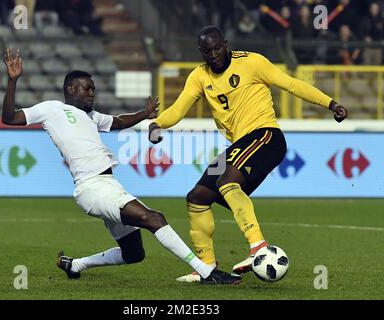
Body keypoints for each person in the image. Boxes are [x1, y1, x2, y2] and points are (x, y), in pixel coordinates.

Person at [1, 48, 241, 285]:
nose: (92, 93)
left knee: (134, 254)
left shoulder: (91, 116)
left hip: (107, 185)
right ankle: (207, 272)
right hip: (93, 187)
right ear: (70, 89)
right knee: (155, 219)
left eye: (93, 89)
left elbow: (118, 122)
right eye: (88, 88)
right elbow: (9, 118)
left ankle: (75, 264)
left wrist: (145, 114)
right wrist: (13, 81)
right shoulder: (52, 109)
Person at [148, 25, 348, 282]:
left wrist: (330, 103)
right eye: (207, 51)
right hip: (241, 145)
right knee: (197, 198)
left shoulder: (252, 63)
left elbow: (291, 84)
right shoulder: (199, 76)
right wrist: (158, 123)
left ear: (226, 43)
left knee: (227, 181)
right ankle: (206, 268)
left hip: (265, 136)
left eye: (218, 47)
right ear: (201, 52)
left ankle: (258, 248)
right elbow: (180, 106)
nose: (214, 54)